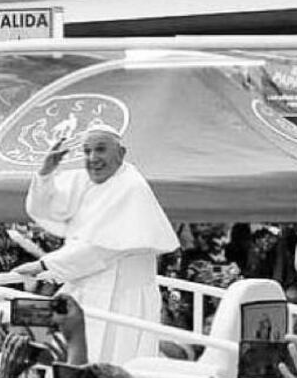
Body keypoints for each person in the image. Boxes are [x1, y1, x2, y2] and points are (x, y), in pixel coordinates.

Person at [19, 128, 179, 364]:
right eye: (87, 151)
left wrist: (43, 264)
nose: (93, 158)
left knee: (113, 367)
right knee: (57, 352)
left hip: (121, 298)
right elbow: (48, 208)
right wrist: (46, 172)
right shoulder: (85, 180)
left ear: (121, 153)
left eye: (101, 149)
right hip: (86, 288)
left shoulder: (131, 187)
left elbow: (102, 248)